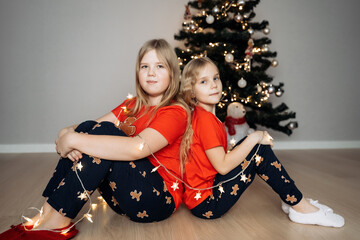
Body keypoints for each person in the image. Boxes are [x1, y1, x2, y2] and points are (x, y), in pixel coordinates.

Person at [0, 39, 190, 240]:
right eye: (145, 66)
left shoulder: (175, 112)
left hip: (157, 200)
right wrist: (66, 132)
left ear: (172, 72)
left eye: (159, 66)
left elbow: (138, 148)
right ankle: (48, 212)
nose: (151, 72)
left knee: (104, 131)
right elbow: (89, 127)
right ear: (137, 72)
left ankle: (57, 220)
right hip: (123, 198)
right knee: (88, 127)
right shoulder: (132, 105)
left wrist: (72, 140)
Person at [178, 57, 344, 227]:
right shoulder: (205, 121)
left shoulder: (207, 117)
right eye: (204, 82)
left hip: (206, 194)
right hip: (207, 202)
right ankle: (299, 205)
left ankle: (291, 199)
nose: (213, 84)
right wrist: (255, 137)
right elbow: (222, 166)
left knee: (249, 145)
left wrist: (250, 141)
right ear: (191, 92)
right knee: (258, 149)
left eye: (216, 78)